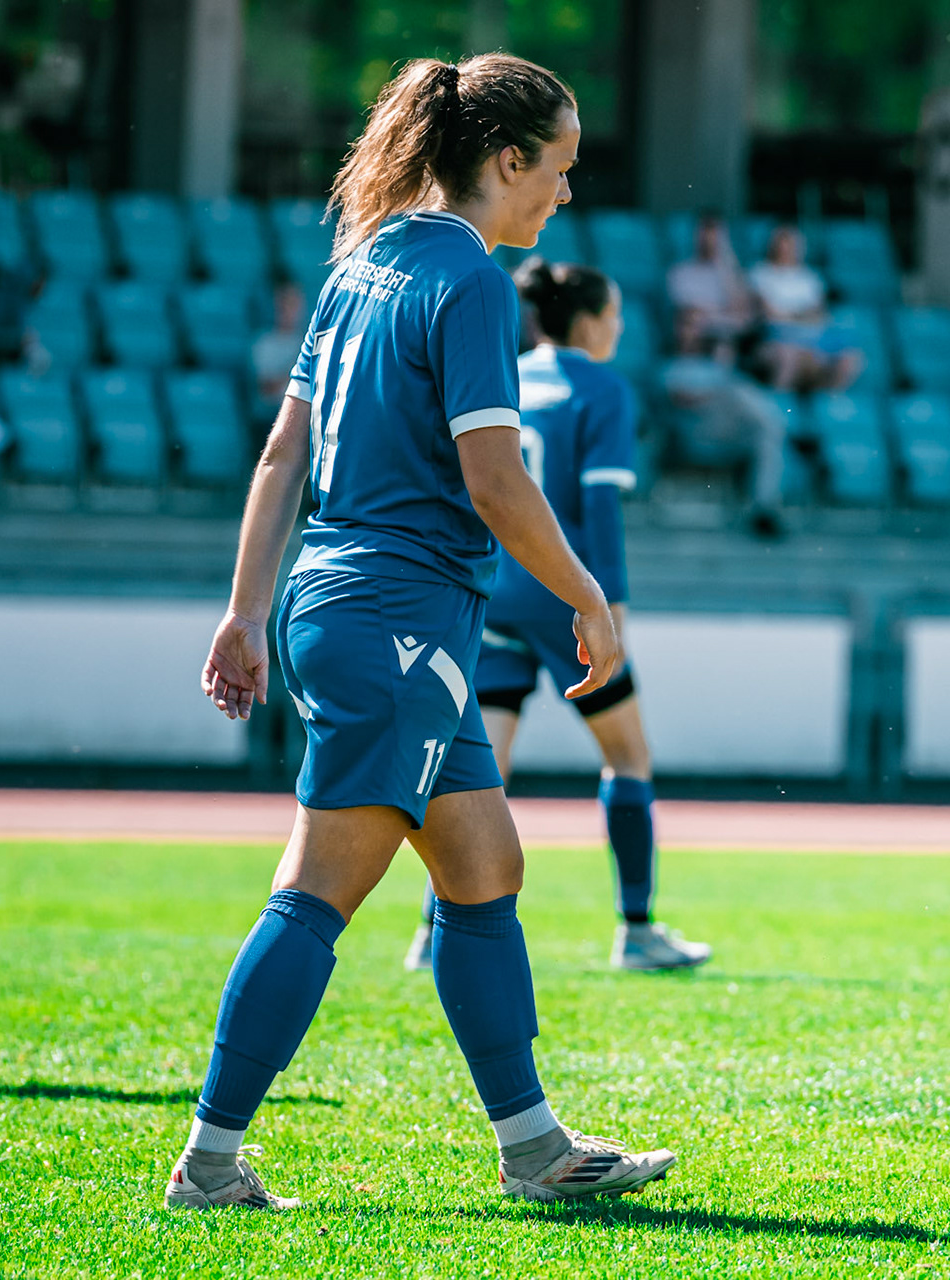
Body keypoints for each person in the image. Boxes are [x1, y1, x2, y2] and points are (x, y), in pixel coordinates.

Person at [174, 53, 676, 1211]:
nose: (565, 191)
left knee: (485, 864)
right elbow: (493, 478)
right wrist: (588, 595)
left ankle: (534, 1146)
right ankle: (209, 1159)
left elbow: (283, 453)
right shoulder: (470, 280)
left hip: (354, 606)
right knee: (317, 890)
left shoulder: (363, 263)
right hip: (398, 617)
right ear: (506, 157)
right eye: (560, 167)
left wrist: (247, 610)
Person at [405, 257, 711, 973]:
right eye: (615, 316)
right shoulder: (601, 388)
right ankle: (637, 931)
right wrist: (610, 607)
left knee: (480, 771)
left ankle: (430, 931)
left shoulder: (506, 376)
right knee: (628, 757)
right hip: (562, 597)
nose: (620, 328)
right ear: (589, 322)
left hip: (492, 591)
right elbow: (600, 509)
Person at [659, 308, 789, 539]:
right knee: (742, 395)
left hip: (726, 433)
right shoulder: (670, 366)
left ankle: (763, 509)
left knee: (766, 437)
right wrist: (719, 385)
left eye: (699, 327)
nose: (694, 332)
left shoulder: (721, 366)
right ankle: (787, 430)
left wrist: (723, 369)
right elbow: (679, 399)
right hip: (690, 436)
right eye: (688, 326)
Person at [748, 224, 861, 392]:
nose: (786, 249)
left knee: (850, 357)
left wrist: (790, 314)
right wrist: (801, 315)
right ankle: (780, 403)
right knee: (789, 356)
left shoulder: (811, 278)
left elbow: (820, 314)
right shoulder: (760, 273)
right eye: (782, 243)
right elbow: (770, 314)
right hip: (776, 339)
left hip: (812, 339)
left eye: (791, 244)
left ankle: (828, 403)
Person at [665, 211, 754, 352]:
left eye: (715, 232)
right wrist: (721, 312)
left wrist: (726, 259)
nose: (709, 238)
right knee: (689, 326)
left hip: (724, 333)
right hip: (695, 332)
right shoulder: (680, 272)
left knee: (725, 344)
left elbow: (741, 312)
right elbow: (688, 311)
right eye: (704, 231)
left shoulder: (731, 272)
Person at [249, 282, 308, 424]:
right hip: (269, 418)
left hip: (302, 416)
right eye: (284, 304)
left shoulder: (308, 342)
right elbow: (267, 389)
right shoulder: (263, 343)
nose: (289, 310)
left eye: (294, 304)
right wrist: (301, 366)